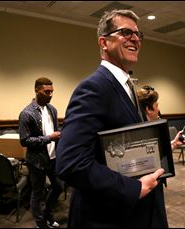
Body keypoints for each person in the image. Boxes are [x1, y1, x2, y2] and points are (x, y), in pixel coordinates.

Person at [56, 9, 167, 228]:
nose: (135, 38)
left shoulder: (128, 86)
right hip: (107, 215)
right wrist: (133, 189)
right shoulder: (94, 87)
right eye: (126, 32)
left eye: (138, 34)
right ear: (104, 42)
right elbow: (71, 163)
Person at [19, 77, 63, 228]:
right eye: (47, 91)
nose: (50, 94)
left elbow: (56, 131)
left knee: (58, 186)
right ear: (37, 90)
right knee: (38, 194)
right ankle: (41, 224)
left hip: (53, 158)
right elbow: (24, 141)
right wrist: (49, 138)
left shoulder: (53, 110)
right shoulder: (27, 113)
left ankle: (47, 214)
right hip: (37, 160)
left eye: (52, 91)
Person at [137, 85, 185, 150]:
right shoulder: (146, 134)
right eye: (156, 105)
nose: (158, 110)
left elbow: (160, 150)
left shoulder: (148, 128)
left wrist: (175, 143)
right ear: (148, 109)